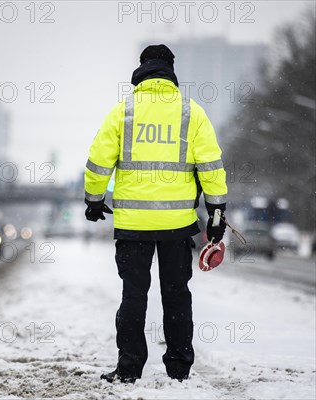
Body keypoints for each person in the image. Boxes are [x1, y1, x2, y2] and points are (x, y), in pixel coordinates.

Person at [84, 44, 228, 383]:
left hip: (133, 225)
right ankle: (179, 369)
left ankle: (129, 368)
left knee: (133, 295)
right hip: (177, 225)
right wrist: (217, 212)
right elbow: (211, 166)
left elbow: (98, 160)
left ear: (142, 69)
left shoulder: (123, 111)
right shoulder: (191, 113)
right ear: (170, 70)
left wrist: (93, 200)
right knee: (177, 295)